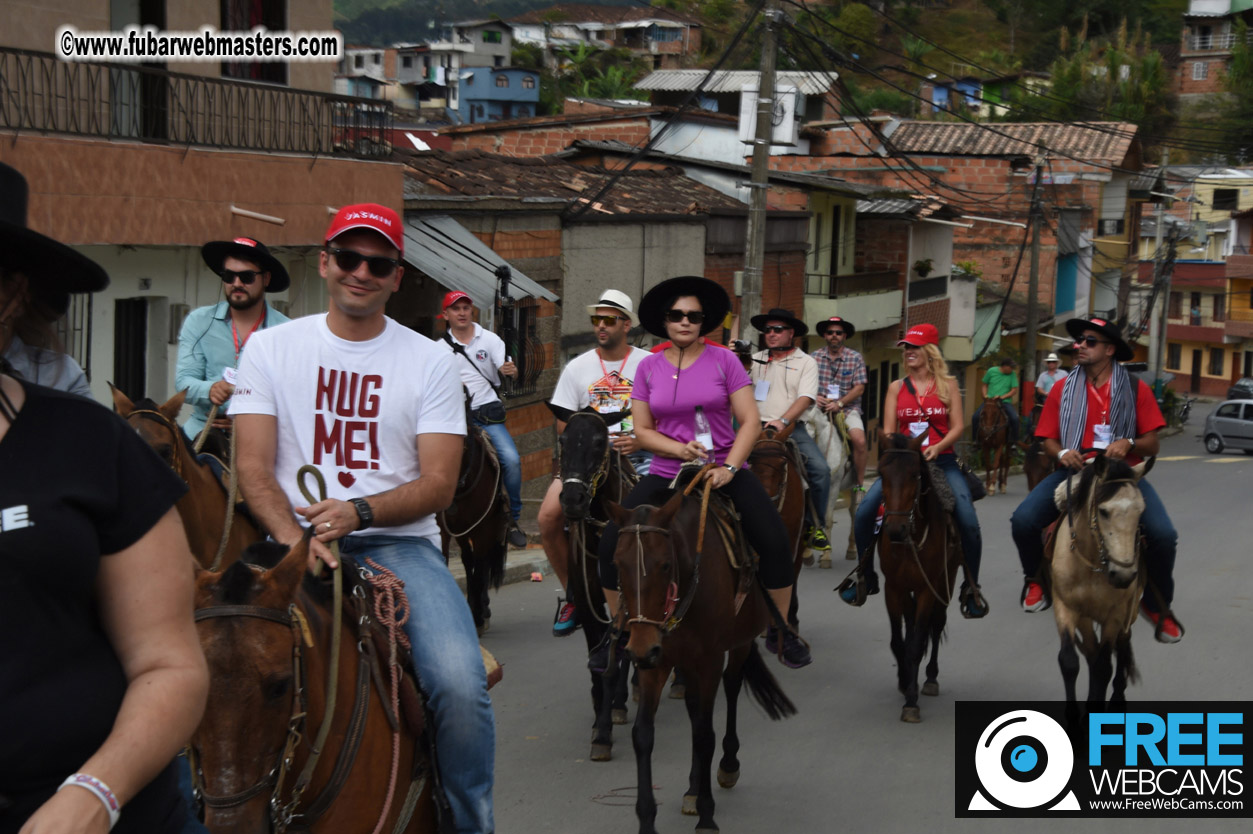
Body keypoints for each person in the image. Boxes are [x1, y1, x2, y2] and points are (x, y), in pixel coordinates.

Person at [230, 203, 495, 833]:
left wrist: (359, 511)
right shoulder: (269, 348)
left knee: (460, 688)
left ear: (397, 276)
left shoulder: (430, 360)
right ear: (325, 263)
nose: (361, 272)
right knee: (208, 666)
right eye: (348, 258)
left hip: (397, 546)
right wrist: (297, 540)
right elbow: (253, 468)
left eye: (378, 263)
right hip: (289, 546)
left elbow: (438, 482)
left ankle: (469, 823)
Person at [1, 160, 209, 834]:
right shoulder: (207, 327)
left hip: (100, 816)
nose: (239, 284)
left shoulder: (90, 440)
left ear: (9, 295)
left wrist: (92, 797)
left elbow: (168, 661)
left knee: (448, 682)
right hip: (213, 419)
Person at [593, 276, 812, 669]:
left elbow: (748, 421)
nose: (685, 321)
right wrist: (678, 449)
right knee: (611, 543)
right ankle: (620, 628)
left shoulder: (724, 360)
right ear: (665, 320)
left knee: (777, 540)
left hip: (723, 466)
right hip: (666, 471)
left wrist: (730, 467)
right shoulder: (649, 367)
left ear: (702, 321)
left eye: (693, 316)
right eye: (677, 315)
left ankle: (781, 629)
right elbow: (642, 430)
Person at [1010, 317, 1182, 642]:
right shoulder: (1062, 387)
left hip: (1122, 476)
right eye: (1079, 341)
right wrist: (1061, 454)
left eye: (1089, 341)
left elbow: (1153, 443)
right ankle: (1035, 581)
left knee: (1163, 535)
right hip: (1074, 472)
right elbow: (1047, 438)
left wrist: (1128, 443)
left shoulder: (1135, 388)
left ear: (1109, 349)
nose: (1080, 346)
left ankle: (1158, 605)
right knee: (1023, 520)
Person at [840, 323, 988, 619]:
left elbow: (958, 426)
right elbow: (890, 431)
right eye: (906, 348)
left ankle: (971, 586)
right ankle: (865, 576)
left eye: (914, 347)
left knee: (968, 520)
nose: (908, 352)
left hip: (942, 461)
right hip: (905, 465)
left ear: (929, 350)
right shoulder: (896, 387)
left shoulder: (947, 384)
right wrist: (903, 452)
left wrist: (937, 446)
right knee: (866, 510)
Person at [540, 289, 653, 636]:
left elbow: (665, 411)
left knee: (669, 514)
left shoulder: (649, 363)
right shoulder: (578, 366)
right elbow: (563, 421)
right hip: (590, 459)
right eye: (596, 320)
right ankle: (575, 593)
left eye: (609, 319)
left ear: (627, 324)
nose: (601, 326)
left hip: (641, 451)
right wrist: (591, 441)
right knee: (547, 517)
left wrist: (640, 438)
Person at [174, 237, 291, 449]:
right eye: (229, 276)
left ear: (265, 278)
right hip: (201, 432)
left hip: (262, 437)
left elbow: (293, 396)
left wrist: (249, 419)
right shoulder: (198, 321)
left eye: (246, 277)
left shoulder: (286, 331)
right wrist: (209, 390)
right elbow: (183, 382)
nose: (236, 284)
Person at [438, 290, 528, 549]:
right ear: (446, 315)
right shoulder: (437, 349)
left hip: (487, 412)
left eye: (466, 308)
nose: (462, 313)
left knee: (510, 460)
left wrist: (509, 370)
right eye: (456, 309)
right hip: (454, 416)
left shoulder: (489, 339)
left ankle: (513, 518)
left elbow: (506, 366)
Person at [746, 308, 829, 553]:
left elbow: (805, 398)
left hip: (790, 428)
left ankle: (815, 526)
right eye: (767, 330)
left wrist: (783, 420)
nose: (771, 334)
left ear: (791, 333)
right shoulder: (755, 358)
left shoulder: (806, 362)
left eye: (778, 330)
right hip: (754, 427)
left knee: (821, 471)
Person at [811, 315, 869, 490]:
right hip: (818, 408)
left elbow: (859, 388)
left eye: (838, 332)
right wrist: (815, 397)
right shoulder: (813, 357)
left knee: (859, 441)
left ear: (844, 336)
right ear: (824, 336)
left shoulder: (855, 358)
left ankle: (858, 483)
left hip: (847, 409)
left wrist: (840, 404)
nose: (834, 335)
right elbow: (806, 384)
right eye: (830, 332)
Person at [973, 356, 1020, 444]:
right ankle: (975, 441)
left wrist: (1002, 397)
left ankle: (1014, 442)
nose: (1012, 369)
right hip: (990, 401)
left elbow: (1014, 390)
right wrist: (985, 395)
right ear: (1005, 366)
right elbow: (984, 385)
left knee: (1015, 418)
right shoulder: (991, 371)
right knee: (975, 417)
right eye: (1011, 367)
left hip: (1004, 402)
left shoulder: (1012, 374)